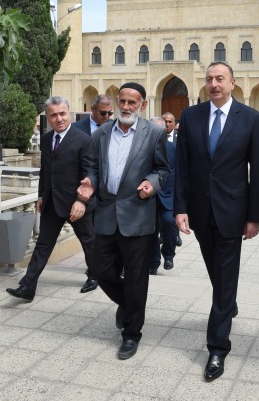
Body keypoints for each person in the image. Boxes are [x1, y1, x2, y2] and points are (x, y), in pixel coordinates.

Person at [174, 62, 259, 382]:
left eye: (220, 79)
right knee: (216, 270)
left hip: (233, 212)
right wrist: (180, 208)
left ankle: (217, 347)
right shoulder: (190, 116)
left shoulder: (251, 119)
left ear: (232, 83)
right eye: (209, 79)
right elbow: (182, 167)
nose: (214, 84)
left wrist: (254, 216)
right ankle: (228, 304)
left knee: (225, 276)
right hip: (200, 212)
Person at [81, 82, 169, 361]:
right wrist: (90, 183)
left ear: (142, 104)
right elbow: (94, 168)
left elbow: (163, 169)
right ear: (118, 101)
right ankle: (130, 304)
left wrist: (150, 184)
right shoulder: (103, 133)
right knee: (99, 268)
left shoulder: (153, 132)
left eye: (133, 102)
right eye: (123, 101)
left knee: (136, 277)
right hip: (106, 215)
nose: (127, 107)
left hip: (138, 216)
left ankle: (131, 335)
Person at [6, 96, 98, 301]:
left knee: (89, 242)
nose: (59, 119)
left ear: (69, 114)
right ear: (47, 117)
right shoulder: (47, 140)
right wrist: (41, 195)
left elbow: (90, 173)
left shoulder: (84, 140)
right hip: (52, 203)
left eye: (62, 114)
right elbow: (45, 170)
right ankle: (27, 287)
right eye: (53, 115)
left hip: (76, 204)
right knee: (42, 245)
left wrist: (81, 201)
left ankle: (94, 276)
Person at [149, 116, 177, 274]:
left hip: (169, 195)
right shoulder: (141, 148)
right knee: (151, 229)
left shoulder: (173, 148)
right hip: (149, 197)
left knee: (169, 223)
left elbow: (179, 173)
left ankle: (168, 254)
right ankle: (153, 262)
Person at [162, 112, 182, 247]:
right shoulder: (155, 138)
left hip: (175, 182)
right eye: (165, 121)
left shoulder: (180, 138)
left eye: (170, 122)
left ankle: (176, 235)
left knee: (174, 213)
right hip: (160, 183)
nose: (167, 124)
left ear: (175, 123)